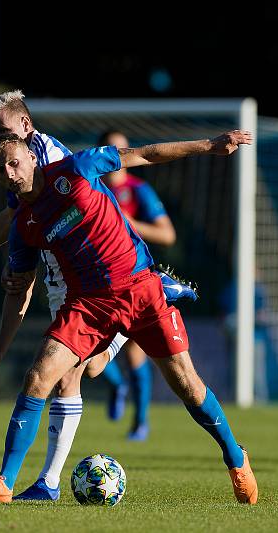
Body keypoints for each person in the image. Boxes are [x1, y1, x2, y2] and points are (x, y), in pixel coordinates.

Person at [0, 129, 258, 505]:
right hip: (88, 305)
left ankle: (235, 456)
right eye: (0, 170)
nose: (9, 173)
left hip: (139, 289)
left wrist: (209, 146)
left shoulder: (79, 167)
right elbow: (19, 289)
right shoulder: (24, 226)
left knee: (187, 385)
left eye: (14, 162)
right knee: (40, 376)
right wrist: (0, 349)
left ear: (33, 158)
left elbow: (147, 153)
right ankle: (4, 481)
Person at [0, 91, 196, 501]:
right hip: (58, 267)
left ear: (25, 127)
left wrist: (3, 260)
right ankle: (44, 482)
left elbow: (38, 215)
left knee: (70, 373)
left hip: (85, 269)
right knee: (87, 370)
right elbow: (14, 217)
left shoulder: (44, 159)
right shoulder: (15, 160)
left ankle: (45, 482)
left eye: (3, 131)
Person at [96, 129, 182, 441]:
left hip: (133, 278)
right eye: (111, 149)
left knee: (136, 350)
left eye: (122, 149)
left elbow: (168, 235)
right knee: (87, 347)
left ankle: (140, 422)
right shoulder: (89, 185)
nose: (118, 156)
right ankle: (116, 384)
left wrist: (128, 224)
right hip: (93, 280)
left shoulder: (138, 189)